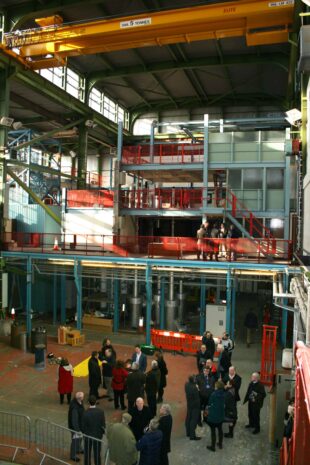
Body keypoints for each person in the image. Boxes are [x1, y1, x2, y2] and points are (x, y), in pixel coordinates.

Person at [82, 395, 106, 465]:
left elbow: (83, 427)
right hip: (97, 436)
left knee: (87, 453)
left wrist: (85, 432)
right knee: (97, 453)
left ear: (89, 402)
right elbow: (103, 424)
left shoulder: (85, 413)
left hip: (88, 436)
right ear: (96, 402)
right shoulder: (100, 412)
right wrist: (101, 433)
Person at [205, 380, 225, 452]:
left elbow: (209, 403)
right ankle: (220, 444)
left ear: (217, 387)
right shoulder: (223, 394)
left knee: (213, 432)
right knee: (220, 430)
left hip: (213, 417)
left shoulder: (213, 394)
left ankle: (213, 447)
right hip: (220, 416)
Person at [68, 391, 85, 462]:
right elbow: (74, 421)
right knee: (75, 441)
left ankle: (79, 449)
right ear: (80, 398)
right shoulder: (75, 408)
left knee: (79, 439)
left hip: (80, 426)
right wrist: (77, 430)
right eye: (83, 397)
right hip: (76, 428)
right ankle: (73, 455)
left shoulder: (79, 402)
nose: (83, 398)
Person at [185, 375, 201, 440]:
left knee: (188, 418)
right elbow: (197, 399)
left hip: (189, 404)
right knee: (193, 420)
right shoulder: (194, 388)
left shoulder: (186, 385)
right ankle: (192, 436)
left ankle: (188, 433)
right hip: (195, 406)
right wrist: (197, 389)